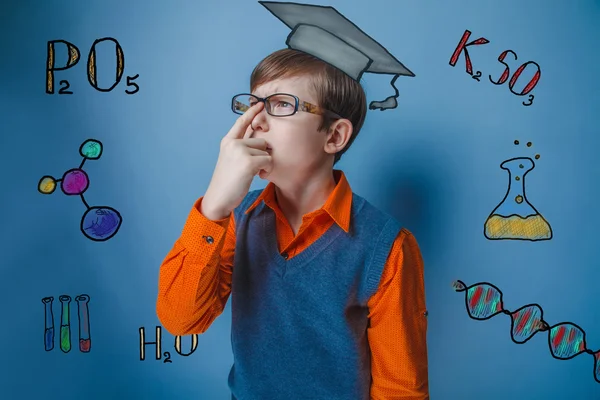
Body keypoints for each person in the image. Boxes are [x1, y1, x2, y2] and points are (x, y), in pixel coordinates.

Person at [157, 3, 428, 399]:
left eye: (281, 105)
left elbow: (400, 389)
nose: (255, 122)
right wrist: (214, 207)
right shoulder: (236, 220)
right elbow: (182, 320)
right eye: (252, 104)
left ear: (334, 136)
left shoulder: (389, 248)